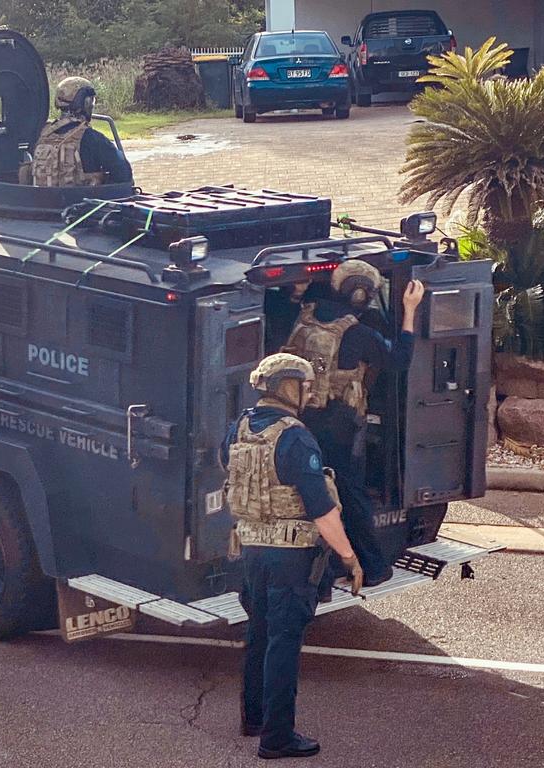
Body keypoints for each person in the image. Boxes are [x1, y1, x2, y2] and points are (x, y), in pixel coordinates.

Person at [221, 353, 364, 760]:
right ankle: (277, 738)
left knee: (259, 633)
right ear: (286, 387)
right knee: (284, 642)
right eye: (303, 385)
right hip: (290, 557)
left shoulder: (239, 427)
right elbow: (321, 509)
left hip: (251, 551)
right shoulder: (296, 437)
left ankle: (253, 718)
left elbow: (225, 467)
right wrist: (350, 558)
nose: (308, 392)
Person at [282, 260, 425, 591]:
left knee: (311, 491)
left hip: (301, 419)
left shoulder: (304, 317)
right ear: (365, 296)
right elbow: (399, 361)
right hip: (341, 425)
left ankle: (328, 567)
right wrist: (409, 312)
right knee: (350, 493)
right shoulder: (359, 334)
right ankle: (374, 566)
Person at [32, 76, 133, 187]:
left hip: (43, 202)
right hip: (83, 201)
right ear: (86, 103)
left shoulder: (42, 134)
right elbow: (124, 174)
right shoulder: (92, 138)